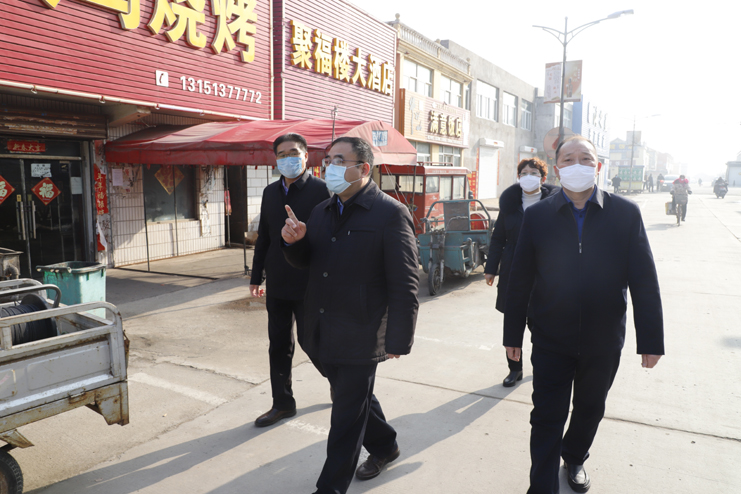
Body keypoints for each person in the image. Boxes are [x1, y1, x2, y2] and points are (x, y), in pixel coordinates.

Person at [503, 136, 664, 494]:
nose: (577, 165)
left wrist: (651, 340)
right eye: (568, 159)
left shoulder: (625, 214)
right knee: (546, 416)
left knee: (590, 408)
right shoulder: (538, 216)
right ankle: (541, 486)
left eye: (586, 158)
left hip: (602, 340)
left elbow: (644, 280)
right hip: (551, 337)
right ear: (556, 169)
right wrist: (512, 334)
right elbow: (520, 278)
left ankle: (574, 456)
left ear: (598, 166)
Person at [281, 136, 419, 494]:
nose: (330, 167)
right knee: (353, 398)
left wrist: (398, 339)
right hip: (320, 328)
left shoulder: (390, 213)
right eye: (328, 160)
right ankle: (386, 445)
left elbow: (405, 282)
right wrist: (294, 242)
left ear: (363, 168)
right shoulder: (321, 211)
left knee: (345, 415)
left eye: (340, 160)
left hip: (362, 333)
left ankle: (330, 487)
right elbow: (308, 262)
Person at [250, 133, 331, 428]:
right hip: (278, 282)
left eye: (294, 153)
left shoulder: (322, 190)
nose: (288, 159)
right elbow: (264, 237)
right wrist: (256, 276)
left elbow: (330, 238)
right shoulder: (270, 192)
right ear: (275, 159)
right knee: (278, 345)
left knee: (313, 343)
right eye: (282, 154)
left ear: (306, 156)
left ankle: (340, 382)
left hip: (309, 281)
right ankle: (282, 403)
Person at [484, 158, 559, 387]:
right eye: (524, 173)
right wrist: (491, 269)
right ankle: (514, 369)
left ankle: (542, 366)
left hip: (544, 271)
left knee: (540, 322)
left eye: (534, 173)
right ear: (518, 177)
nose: (528, 176)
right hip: (513, 269)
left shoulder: (554, 204)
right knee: (513, 319)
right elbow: (498, 238)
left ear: (543, 178)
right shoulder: (510, 204)